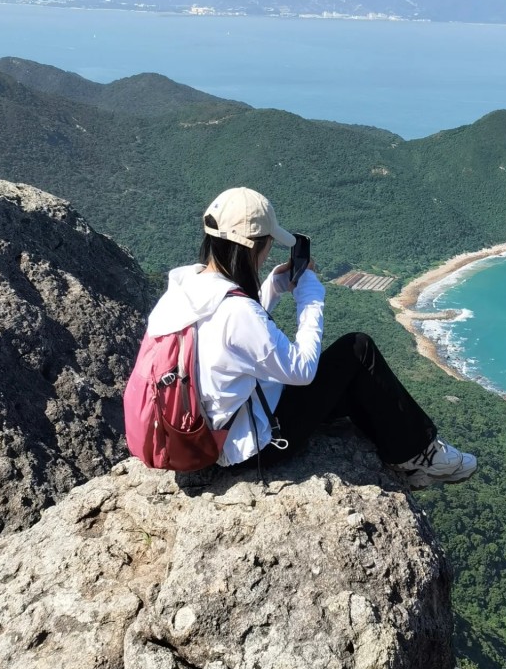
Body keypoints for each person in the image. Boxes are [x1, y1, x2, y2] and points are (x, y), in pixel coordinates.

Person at [146, 186, 477, 487]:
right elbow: (302, 372)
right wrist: (310, 294)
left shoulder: (184, 286)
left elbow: (227, 334)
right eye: (267, 245)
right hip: (249, 447)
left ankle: (410, 455)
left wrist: (272, 289)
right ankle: (423, 456)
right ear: (251, 249)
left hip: (204, 429)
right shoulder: (237, 313)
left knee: (351, 382)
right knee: (358, 349)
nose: (268, 253)